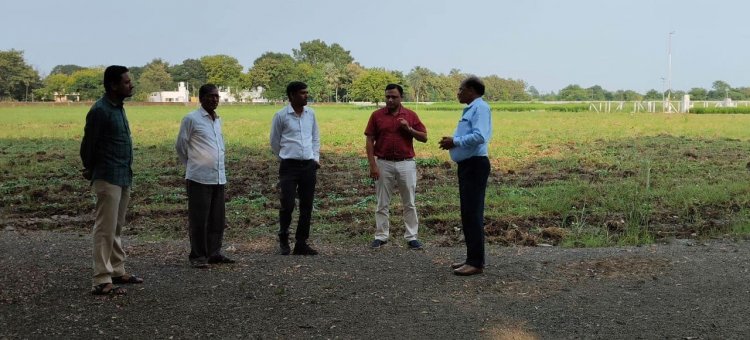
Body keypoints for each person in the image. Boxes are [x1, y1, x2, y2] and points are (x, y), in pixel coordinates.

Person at [80, 65, 144, 295]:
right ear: (113, 85)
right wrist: (89, 167)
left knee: (116, 226)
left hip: (122, 174)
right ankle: (101, 278)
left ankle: (117, 270)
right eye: (126, 82)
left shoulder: (118, 108)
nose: (131, 85)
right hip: (107, 176)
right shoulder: (100, 110)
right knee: (105, 228)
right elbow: (88, 144)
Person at [175, 84, 235, 268]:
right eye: (210, 96)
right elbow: (180, 146)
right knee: (199, 220)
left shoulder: (217, 120)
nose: (214, 99)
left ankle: (214, 252)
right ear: (201, 98)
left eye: (217, 96)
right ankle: (198, 256)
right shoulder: (191, 119)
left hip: (218, 176)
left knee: (217, 218)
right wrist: (193, 165)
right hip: (198, 177)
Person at [438, 76, 492, 276]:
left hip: (475, 165)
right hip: (468, 165)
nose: (458, 92)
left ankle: (476, 262)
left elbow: (480, 137)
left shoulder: (480, 108)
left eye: (461, 89)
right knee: (468, 213)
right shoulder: (472, 108)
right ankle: (472, 258)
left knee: (472, 213)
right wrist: (455, 142)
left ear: (471, 90)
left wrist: (455, 141)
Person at [364, 84, 428, 250]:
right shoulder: (377, 116)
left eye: (394, 97)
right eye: (387, 97)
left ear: (401, 98)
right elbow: (369, 140)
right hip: (383, 162)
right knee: (382, 202)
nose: (390, 100)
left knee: (409, 202)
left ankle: (412, 237)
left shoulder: (410, 115)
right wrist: (373, 165)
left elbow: (424, 137)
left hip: (406, 163)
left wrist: (409, 128)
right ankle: (381, 236)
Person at [270, 81, 320, 256]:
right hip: (289, 166)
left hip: (308, 166)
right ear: (291, 95)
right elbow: (274, 142)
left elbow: (315, 138)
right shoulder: (281, 115)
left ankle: (301, 243)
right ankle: (283, 237)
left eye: (306, 92)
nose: (306, 95)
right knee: (288, 204)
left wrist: (315, 158)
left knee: (307, 206)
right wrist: (284, 156)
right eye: (302, 93)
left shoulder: (311, 114)